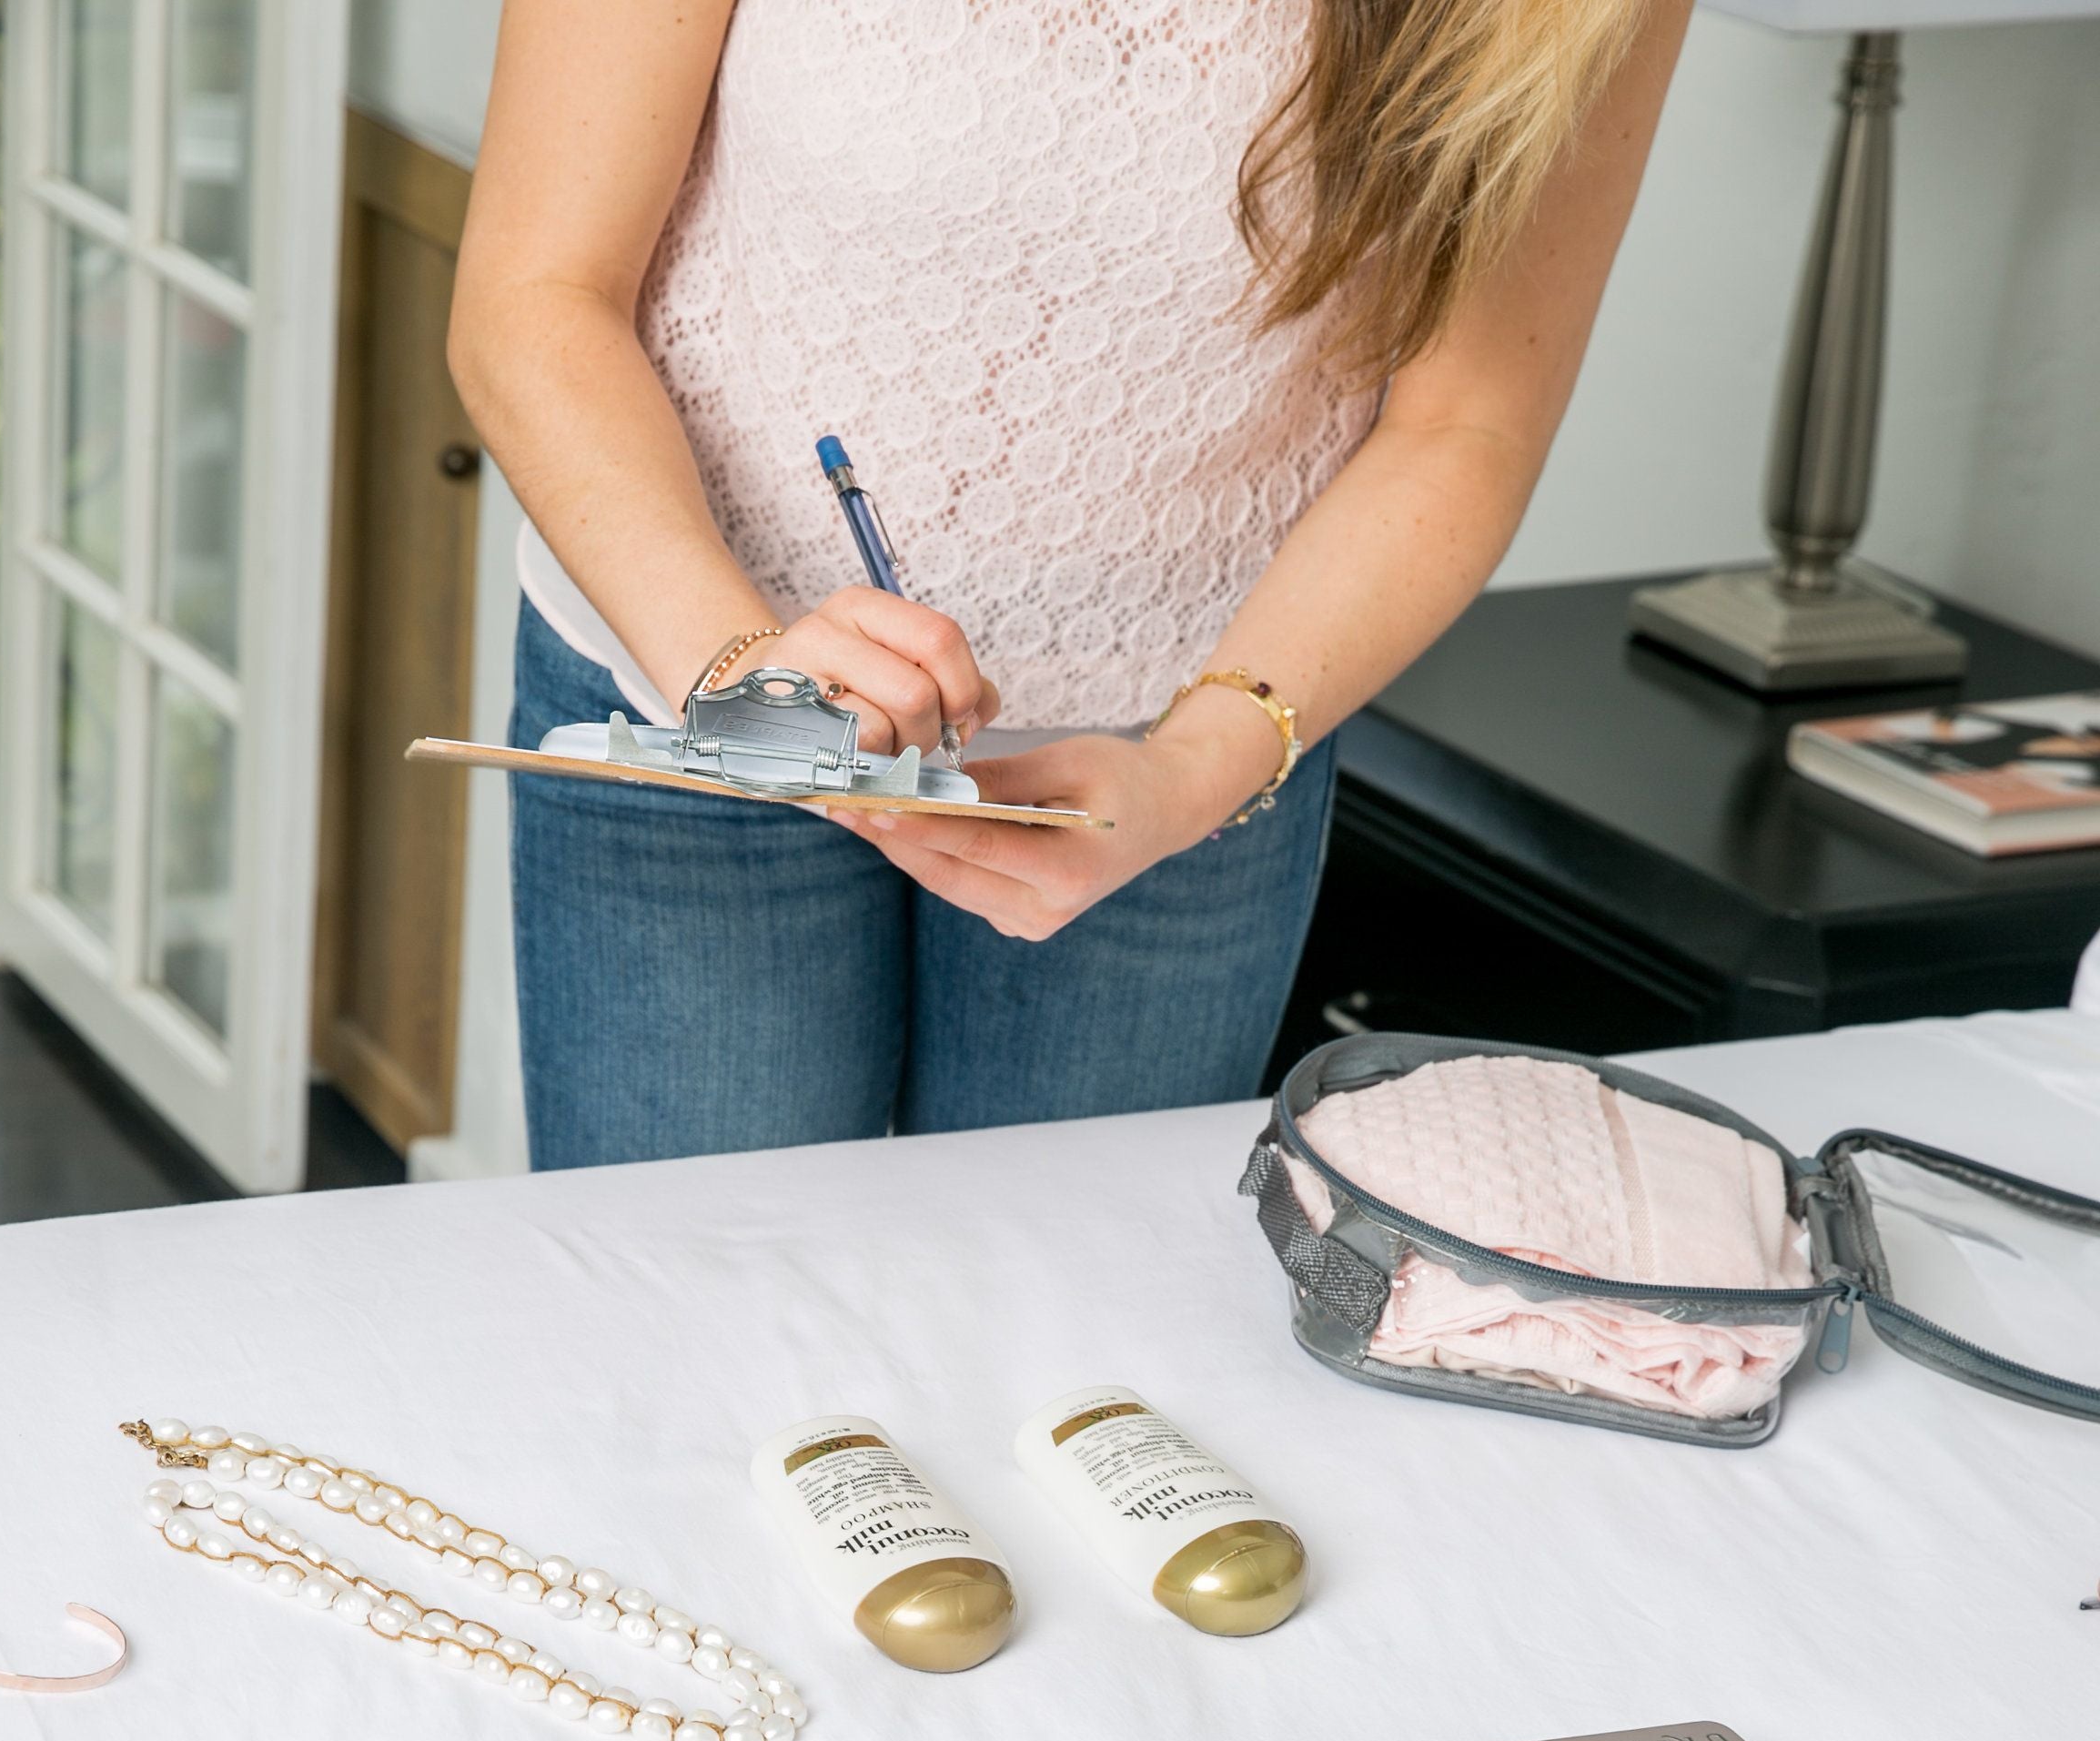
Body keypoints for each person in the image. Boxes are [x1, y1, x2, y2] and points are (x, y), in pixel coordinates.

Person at [450, 0, 1689, 1169]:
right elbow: (537, 291)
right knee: (707, 1325)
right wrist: (733, 670)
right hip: (699, 694)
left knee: (1065, 1345)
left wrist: (1189, 775)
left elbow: (1466, 427)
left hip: (1176, 781)